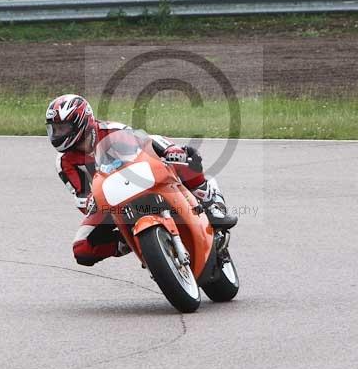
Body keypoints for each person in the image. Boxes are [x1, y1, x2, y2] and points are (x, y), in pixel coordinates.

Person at [46, 93, 237, 267]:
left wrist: (169, 152)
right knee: (81, 249)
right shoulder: (63, 162)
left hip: (142, 179)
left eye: (62, 128)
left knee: (185, 155)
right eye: (54, 129)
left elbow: (146, 143)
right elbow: (80, 195)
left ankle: (211, 203)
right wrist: (89, 201)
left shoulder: (112, 130)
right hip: (109, 202)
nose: (56, 134)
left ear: (81, 122)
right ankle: (127, 243)